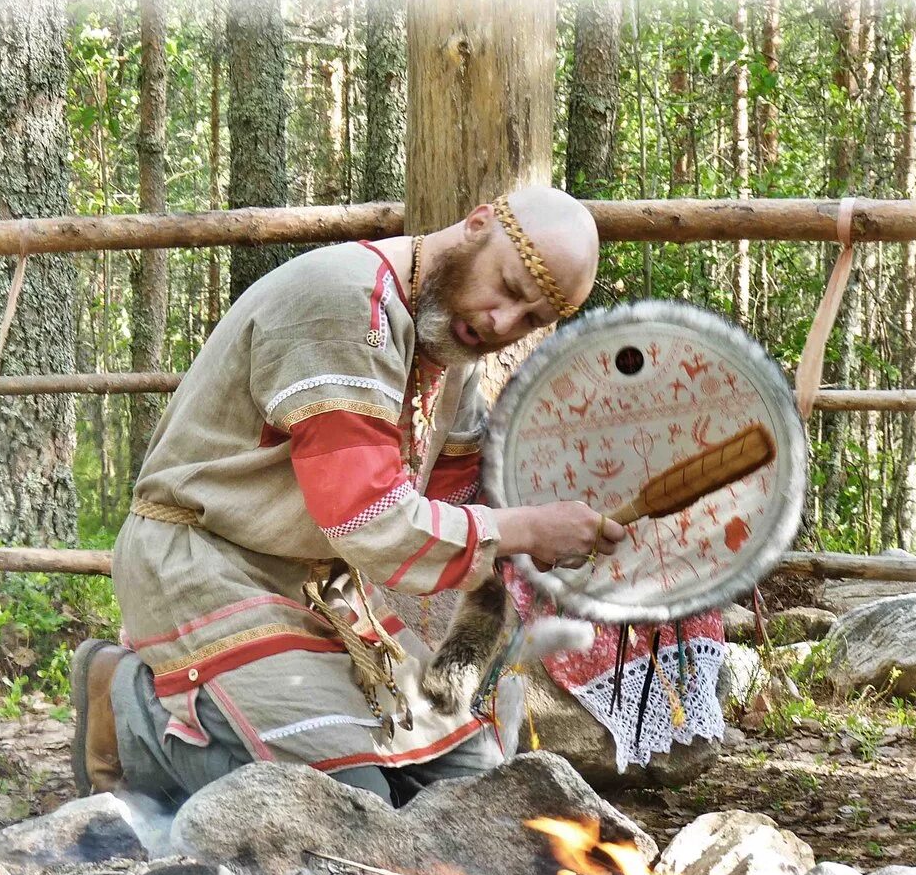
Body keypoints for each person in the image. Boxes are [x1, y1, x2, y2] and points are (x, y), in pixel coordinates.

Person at [70, 186, 625, 808]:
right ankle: (125, 706)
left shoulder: (450, 347)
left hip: (322, 589)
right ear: (477, 225)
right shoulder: (342, 302)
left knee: (472, 785)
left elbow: (456, 494)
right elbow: (367, 518)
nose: (502, 323)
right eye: (508, 287)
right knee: (350, 806)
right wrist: (525, 529)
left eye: (530, 320)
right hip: (205, 566)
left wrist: (564, 514)